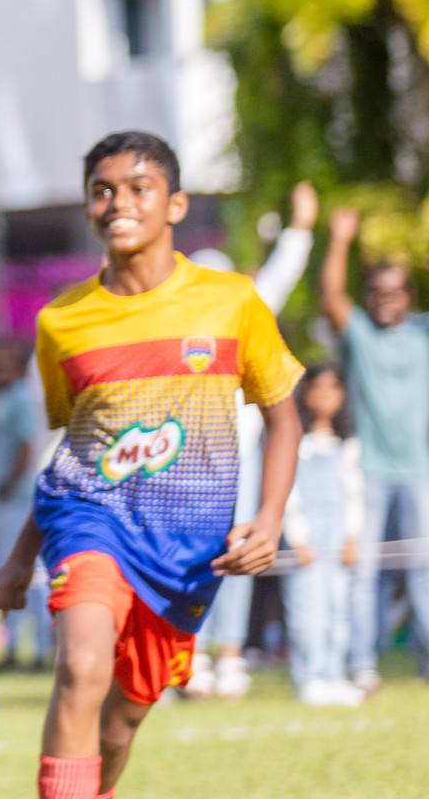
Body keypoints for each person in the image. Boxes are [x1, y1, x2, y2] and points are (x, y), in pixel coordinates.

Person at [0, 132, 303, 799]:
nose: (116, 202)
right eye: (101, 190)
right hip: (89, 521)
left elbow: (283, 418)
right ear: (86, 207)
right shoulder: (60, 322)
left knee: (118, 728)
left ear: (175, 204)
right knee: (80, 664)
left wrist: (268, 520)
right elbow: (72, 451)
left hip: (189, 549)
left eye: (137, 187)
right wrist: (20, 558)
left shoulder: (232, 301)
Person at [185, 180, 318, 698]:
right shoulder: (176, 326)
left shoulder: (244, 311)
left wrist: (301, 227)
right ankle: (191, 656)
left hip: (237, 458)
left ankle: (232, 655)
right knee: (192, 558)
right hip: (187, 464)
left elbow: (280, 275)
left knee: (236, 551)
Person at [321, 206, 429, 694]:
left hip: (420, 470)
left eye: (396, 293)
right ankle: (362, 664)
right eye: (378, 294)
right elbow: (330, 297)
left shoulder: (423, 335)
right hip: (367, 471)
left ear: (409, 297)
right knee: (363, 573)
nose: (387, 301)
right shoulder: (361, 335)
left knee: (424, 571)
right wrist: (340, 239)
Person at [283, 365, 365, 706]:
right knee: (308, 610)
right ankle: (310, 676)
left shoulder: (347, 444)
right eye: (317, 389)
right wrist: (298, 538)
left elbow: (354, 494)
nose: (324, 397)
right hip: (307, 540)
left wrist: (352, 536)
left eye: (333, 389)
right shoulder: (295, 442)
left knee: (338, 608)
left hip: (338, 537)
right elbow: (289, 494)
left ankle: (334, 674)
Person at [0, 339, 51, 669]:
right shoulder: (4, 398)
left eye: (7, 363)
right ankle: (13, 647)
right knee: (9, 571)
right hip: (9, 497)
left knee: (28, 572)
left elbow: (28, 445)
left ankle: (38, 648)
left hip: (20, 498)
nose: (1, 370)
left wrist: (9, 483)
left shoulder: (22, 399)